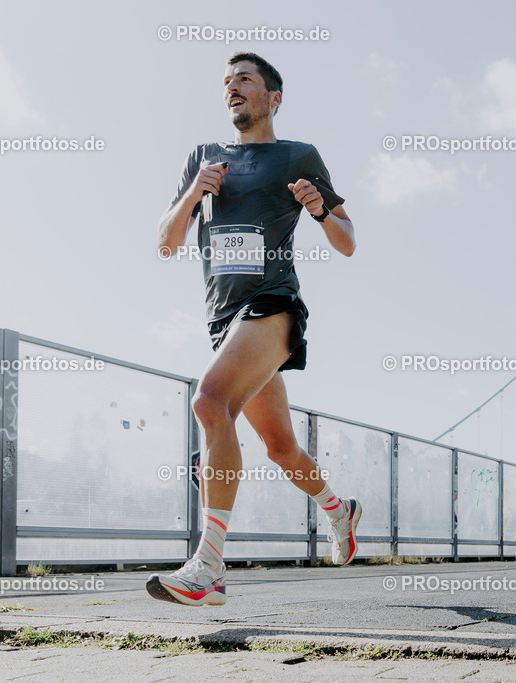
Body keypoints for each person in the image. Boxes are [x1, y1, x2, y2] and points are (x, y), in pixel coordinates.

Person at [148, 52, 360, 606]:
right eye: (226, 81)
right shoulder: (203, 158)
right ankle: (340, 510)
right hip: (225, 321)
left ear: (273, 98)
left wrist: (320, 211)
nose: (232, 87)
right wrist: (194, 193)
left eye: (244, 79)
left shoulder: (297, 156)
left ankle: (208, 567)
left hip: (273, 305)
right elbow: (167, 243)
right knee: (282, 449)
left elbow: (347, 241)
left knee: (209, 402)